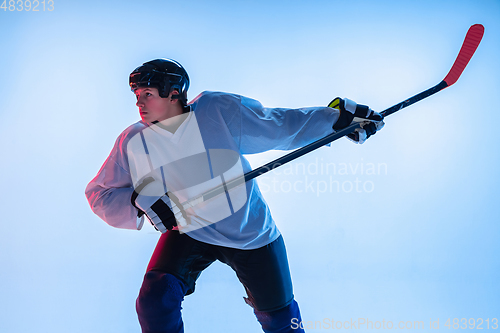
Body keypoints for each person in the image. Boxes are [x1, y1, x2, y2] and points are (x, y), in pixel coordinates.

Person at [85, 58, 384, 333]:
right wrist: (140, 203)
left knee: (281, 322)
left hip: (249, 232)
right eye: (137, 96)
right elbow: (99, 194)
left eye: (147, 94)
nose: (140, 103)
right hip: (189, 229)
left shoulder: (217, 110)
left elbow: (279, 125)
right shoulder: (133, 141)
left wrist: (335, 121)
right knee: (155, 300)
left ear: (174, 93)